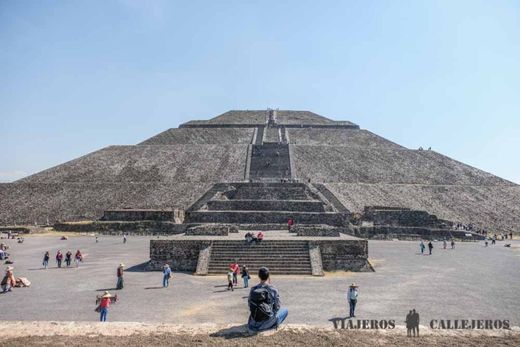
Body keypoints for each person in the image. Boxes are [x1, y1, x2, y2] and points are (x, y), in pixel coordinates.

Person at [248, 267, 288, 331]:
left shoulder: (253, 289)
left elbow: (249, 305)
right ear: (268, 276)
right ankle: (274, 323)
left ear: (259, 276)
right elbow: (277, 307)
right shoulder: (272, 288)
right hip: (267, 323)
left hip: (252, 323)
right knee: (285, 310)